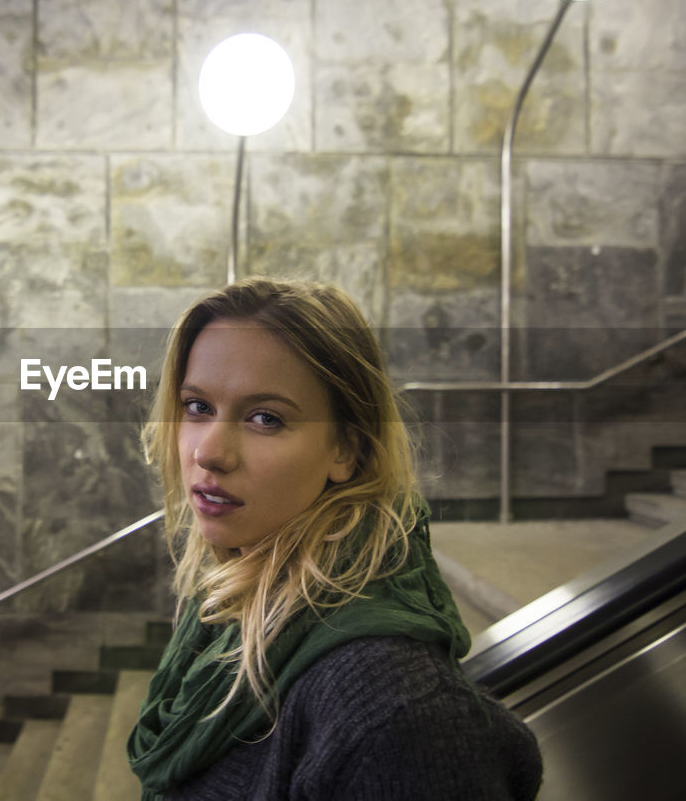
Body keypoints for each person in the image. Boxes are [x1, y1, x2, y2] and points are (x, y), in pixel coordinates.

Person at [126, 277, 543, 800]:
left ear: (345, 449)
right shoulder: (225, 608)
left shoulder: (395, 710)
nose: (210, 452)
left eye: (265, 418)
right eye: (197, 406)